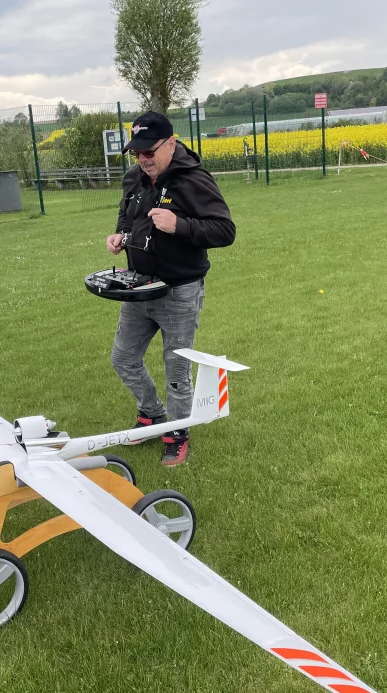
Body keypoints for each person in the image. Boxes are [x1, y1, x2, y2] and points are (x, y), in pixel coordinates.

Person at [106, 111, 235, 467]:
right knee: (123, 358)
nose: (143, 159)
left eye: (149, 151)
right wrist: (120, 236)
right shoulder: (134, 178)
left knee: (176, 369)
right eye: (137, 152)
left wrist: (180, 225)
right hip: (138, 287)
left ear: (171, 143)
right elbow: (126, 215)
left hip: (179, 290)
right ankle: (152, 415)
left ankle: (177, 433)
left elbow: (225, 231)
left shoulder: (193, 180)